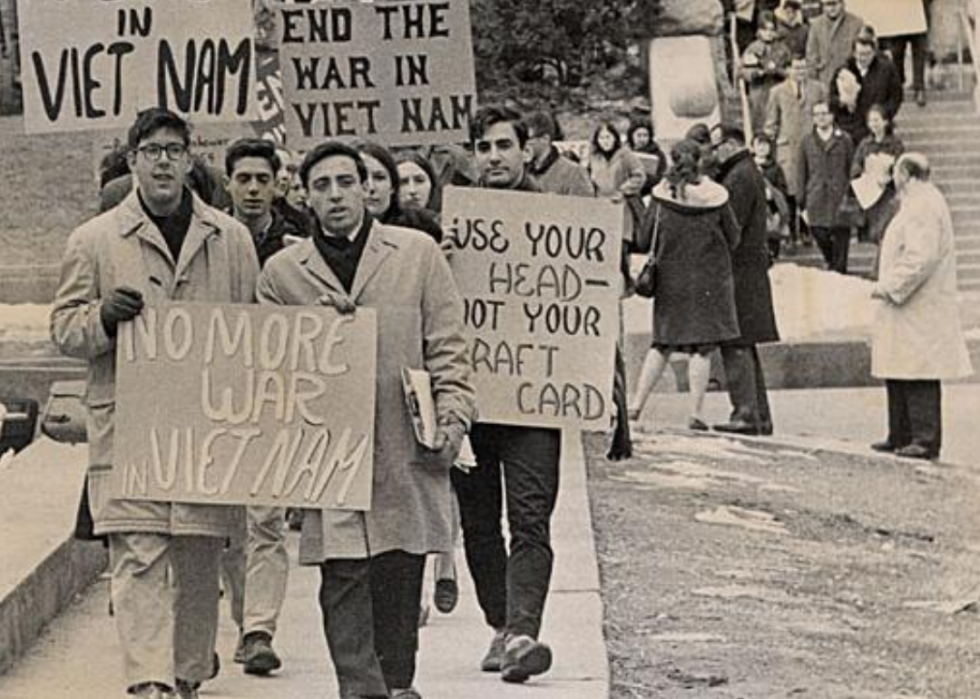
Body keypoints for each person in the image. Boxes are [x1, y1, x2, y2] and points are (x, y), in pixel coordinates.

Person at [49, 108, 260, 699]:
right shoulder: (93, 240)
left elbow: (258, 327)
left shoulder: (231, 239)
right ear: (133, 159)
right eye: (151, 150)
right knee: (137, 555)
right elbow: (63, 329)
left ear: (191, 159)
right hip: (130, 426)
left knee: (197, 558)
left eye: (174, 149)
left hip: (205, 428)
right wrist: (103, 321)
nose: (163, 160)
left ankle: (187, 672)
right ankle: (149, 681)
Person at [256, 141, 476, 699]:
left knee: (399, 574)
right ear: (304, 197)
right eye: (322, 185)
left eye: (346, 183)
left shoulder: (416, 254)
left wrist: (452, 419)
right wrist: (310, 330)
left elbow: (448, 345)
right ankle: (362, 690)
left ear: (367, 190)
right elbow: (266, 367)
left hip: (404, 442)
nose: (335, 195)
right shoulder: (282, 274)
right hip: (330, 451)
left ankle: (396, 683)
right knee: (344, 575)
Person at [449, 104, 560, 684]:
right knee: (479, 523)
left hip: (537, 399)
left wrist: (608, 390)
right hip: (469, 398)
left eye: (503, 146)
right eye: (484, 147)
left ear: (526, 149)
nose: (493, 157)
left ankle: (524, 631)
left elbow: (587, 317)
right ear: (473, 155)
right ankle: (499, 622)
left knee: (531, 517)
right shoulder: (451, 223)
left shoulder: (563, 224)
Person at [218, 137, 303, 676]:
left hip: (277, 394)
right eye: (242, 179)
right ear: (228, 183)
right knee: (227, 522)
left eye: (261, 179)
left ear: (277, 183)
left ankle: (259, 629)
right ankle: (243, 616)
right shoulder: (207, 236)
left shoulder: (300, 240)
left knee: (267, 519)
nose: (252, 188)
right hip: (220, 394)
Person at [628, 140, 742, 430]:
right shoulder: (716, 196)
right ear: (701, 160)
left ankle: (636, 405)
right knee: (701, 348)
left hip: (671, 280)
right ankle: (695, 412)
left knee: (662, 343)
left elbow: (643, 239)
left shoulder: (661, 196)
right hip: (708, 281)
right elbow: (733, 237)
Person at [870, 153, 973, 460]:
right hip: (910, 305)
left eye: (897, 174)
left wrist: (891, 287)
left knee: (918, 369)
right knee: (900, 366)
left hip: (918, 304)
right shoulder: (919, 201)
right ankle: (900, 432)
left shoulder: (923, 204)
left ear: (908, 175)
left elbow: (920, 257)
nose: (893, 180)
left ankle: (924, 438)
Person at [712, 125, 781, 436]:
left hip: (737, 273)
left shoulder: (737, 177)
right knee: (745, 343)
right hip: (750, 271)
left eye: (716, 146)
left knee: (735, 342)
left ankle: (745, 413)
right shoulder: (747, 170)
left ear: (729, 144)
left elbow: (730, 226)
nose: (714, 153)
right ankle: (758, 414)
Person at [765, 54, 828, 246]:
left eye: (803, 68)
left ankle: (807, 230)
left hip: (811, 146)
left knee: (809, 188)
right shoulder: (777, 91)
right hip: (787, 148)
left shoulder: (818, 89)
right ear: (789, 70)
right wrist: (770, 141)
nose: (800, 72)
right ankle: (791, 232)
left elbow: (825, 115)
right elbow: (771, 121)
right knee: (790, 190)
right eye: (796, 68)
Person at [800, 100, 855, 273]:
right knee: (818, 231)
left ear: (831, 116)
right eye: (817, 115)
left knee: (841, 236)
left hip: (839, 196)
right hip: (816, 195)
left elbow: (851, 167)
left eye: (824, 114)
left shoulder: (844, 139)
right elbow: (801, 171)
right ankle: (832, 262)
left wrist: (850, 193)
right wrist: (801, 201)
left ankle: (839, 271)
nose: (821, 118)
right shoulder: (807, 141)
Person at [355, 141, 443, 242]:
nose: (371, 187)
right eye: (361, 178)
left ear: (392, 186)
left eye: (379, 177)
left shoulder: (425, 230)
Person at [830, 29, 903, 146]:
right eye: (860, 54)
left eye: (867, 54)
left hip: (877, 129)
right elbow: (832, 98)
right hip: (850, 129)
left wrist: (884, 115)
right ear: (854, 53)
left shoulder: (887, 70)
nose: (863, 58)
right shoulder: (843, 70)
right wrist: (842, 102)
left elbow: (896, 96)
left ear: (874, 52)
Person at [850, 104, 904, 245]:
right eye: (871, 121)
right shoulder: (865, 144)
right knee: (873, 229)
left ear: (885, 122)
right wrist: (862, 173)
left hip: (888, 192)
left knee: (885, 228)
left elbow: (901, 166)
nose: (874, 124)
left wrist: (890, 177)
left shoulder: (895, 144)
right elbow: (856, 164)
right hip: (869, 190)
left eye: (877, 120)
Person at [741, 11, 793, 135]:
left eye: (772, 29)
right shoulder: (752, 48)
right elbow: (744, 71)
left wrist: (778, 71)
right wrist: (757, 73)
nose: (768, 33)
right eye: (765, 29)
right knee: (760, 126)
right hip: (759, 92)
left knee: (780, 124)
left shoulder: (783, 49)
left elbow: (791, 70)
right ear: (759, 31)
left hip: (779, 89)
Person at [523, 110, 595, 197]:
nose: (522, 143)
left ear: (545, 139)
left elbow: (586, 208)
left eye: (527, 138)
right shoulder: (521, 171)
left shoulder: (574, 173)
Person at [883, 0, 933, 107]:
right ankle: (898, 84)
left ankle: (919, 88)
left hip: (920, 11)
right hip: (899, 12)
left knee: (919, 50)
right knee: (897, 50)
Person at [805, 0, 864, 86]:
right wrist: (813, 82)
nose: (832, 8)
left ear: (842, 4)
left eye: (835, 4)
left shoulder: (856, 23)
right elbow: (811, 56)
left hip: (849, 77)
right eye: (828, 4)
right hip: (824, 78)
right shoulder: (816, 25)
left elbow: (863, 52)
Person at [752, 133, 792, 260]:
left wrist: (773, 194)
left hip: (772, 208)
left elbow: (782, 187)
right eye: (759, 145)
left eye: (765, 145)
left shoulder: (775, 168)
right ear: (753, 147)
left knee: (773, 236)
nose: (762, 148)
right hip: (754, 208)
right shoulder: (748, 166)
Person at [625, 117, 668, 196]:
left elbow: (661, 177)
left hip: (649, 193)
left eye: (645, 135)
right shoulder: (625, 152)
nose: (642, 139)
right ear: (631, 136)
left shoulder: (658, 154)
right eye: (639, 135)